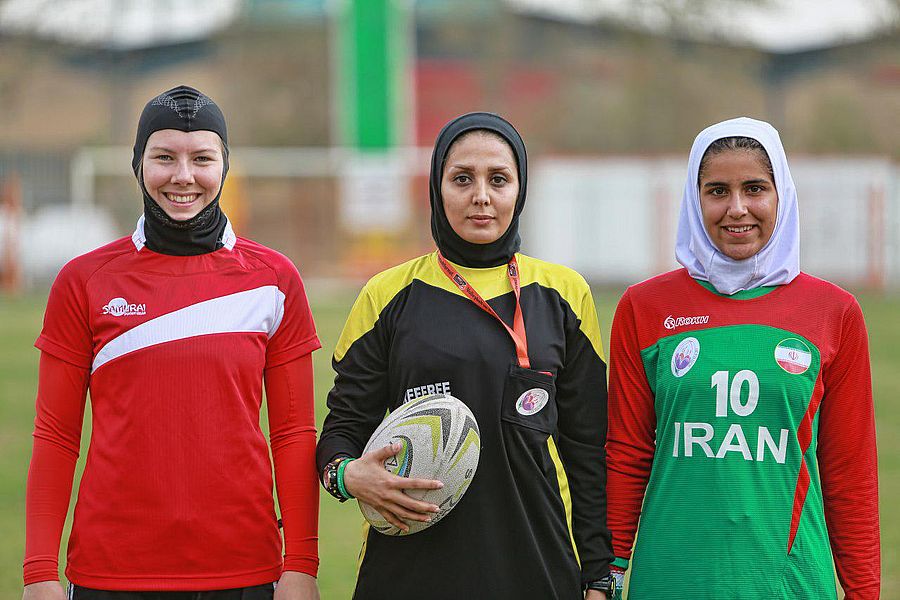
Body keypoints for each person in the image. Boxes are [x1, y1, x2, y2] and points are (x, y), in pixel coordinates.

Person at [23, 85, 322, 600]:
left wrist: (301, 565)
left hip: (245, 570)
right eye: (164, 157)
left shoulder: (275, 279)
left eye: (201, 158)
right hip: (109, 573)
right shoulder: (84, 281)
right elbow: (55, 435)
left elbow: (293, 433)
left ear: (224, 166)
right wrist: (39, 573)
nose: (183, 176)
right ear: (138, 164)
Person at [315, 112, 615, 600]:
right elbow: (342, 431)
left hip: (538, 568)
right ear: (437, 189)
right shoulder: (387, 296)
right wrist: (349, 476)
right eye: (462, 179)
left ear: (520, 190)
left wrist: (599, 575)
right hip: (409, 575)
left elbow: (589, 452)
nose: (481, 196)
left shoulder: (564, 295)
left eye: (499, 179)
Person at [606, 117, 880, 599]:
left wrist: (863, 591)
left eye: (755, 188)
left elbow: (849, 473)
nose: (737, 209)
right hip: (672, 577)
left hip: (787, 582)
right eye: (717, 191)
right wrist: (609, 571)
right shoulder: (644, 308)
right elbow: (627, 454)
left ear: (782, 196)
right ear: (695, 200)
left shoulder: (834, 313)